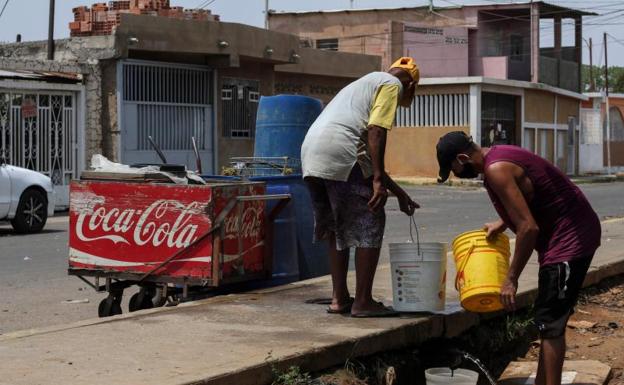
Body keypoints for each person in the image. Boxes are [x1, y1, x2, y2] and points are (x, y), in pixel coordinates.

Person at [436, 131, 601, 385]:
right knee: (547, 322)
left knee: (552, 324)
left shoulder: (496, 170)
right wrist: (503, 222)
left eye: (453, 169)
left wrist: (510, 279)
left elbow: (528, 229)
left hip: (570, 241)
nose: (455, 175)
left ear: (461, 158)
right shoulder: (499, 156)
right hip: (568, 235)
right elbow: (530, 190)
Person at [301, 57, 421, 317]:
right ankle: (363, 301)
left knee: (336, 225)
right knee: (371, 218)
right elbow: (376, 130)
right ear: (410, 85)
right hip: (341, 151)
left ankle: (339, 298)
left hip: (312, 152)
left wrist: (399, 192)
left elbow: (364, 156)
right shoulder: (391, 85)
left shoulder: (363, 83)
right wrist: (378, 181)